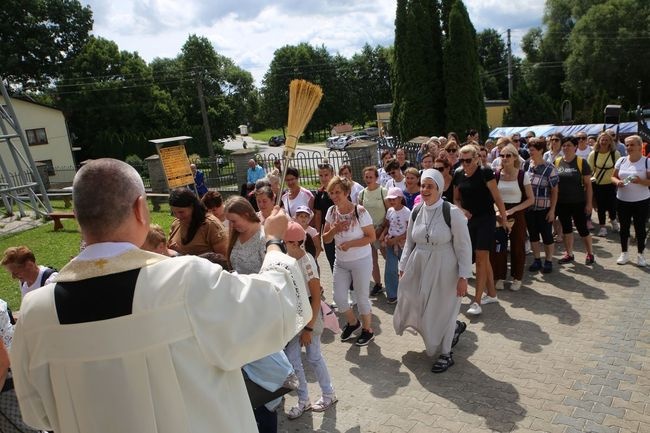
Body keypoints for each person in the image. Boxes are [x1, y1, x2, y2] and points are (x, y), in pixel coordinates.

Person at [10, 158, 311, 433]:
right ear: (141, 208)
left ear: (76, 217)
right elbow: (273, 308)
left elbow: (38, 415)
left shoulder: (35, 315)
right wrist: (273, 240)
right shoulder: (183, 282)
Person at [394, 169, 472, 373]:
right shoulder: (417, 210)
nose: (425, 189)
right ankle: (454, 328)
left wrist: (463, 277)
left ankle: (446, 353)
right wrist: (402, 267)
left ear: (439, 188)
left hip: (445, 268)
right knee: (420, 304)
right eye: (423, 185)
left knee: (444, 308)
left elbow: (464, 246)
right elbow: (409, 242)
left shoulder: (452, 212)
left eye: (430, 186)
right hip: (419, 265)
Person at [282, 222, 337, 420]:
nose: (293, 246)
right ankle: (303, 400)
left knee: (313, 356)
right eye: (289, 242)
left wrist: (309, 328)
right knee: (292, 358)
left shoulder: (308, 262)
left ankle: (329, 394)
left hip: (309, 316)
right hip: (293, 317)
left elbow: (315, 297)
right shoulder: (282, 258)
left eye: (297, 242)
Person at [453, 145, 508, 316]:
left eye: (468, 160)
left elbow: (497, 197)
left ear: (477, 158)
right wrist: (462, 210)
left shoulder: (485, 172)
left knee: (481, 257)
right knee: (482, 258)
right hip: (468, 221)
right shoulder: (458, 173)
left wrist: (504, 218)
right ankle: (491, 294)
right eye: (461, 160)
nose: (465, 163)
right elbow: (456, 199)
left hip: (486, 219)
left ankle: (476, 301)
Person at [322, 176, 376, 346]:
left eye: (338, 192)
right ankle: (353, 323)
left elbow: (371, 237)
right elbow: (326, 239)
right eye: (331, 192)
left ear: (346, 193)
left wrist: (351, 244)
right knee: (339, 298)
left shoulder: (360, 212)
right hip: (341, 262)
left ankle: (368, 330)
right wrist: (335, 229)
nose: (334, 196)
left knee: (361, 298)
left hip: (361, 260)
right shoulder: (331, 212)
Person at [491, 144, 534, 291]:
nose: (504, 158)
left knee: (517, 246)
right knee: (499, 247)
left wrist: (514, 210)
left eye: (508, 155)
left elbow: (530, 199)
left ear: (515, 157)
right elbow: (491, 198)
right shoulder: (495, 175)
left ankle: (517, 277)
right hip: (499, 214)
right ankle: (500, 277)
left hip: (517, 213)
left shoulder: (523, 175)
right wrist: (498, 211)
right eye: (502, 155)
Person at [555, 136, 595, 265]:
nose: (566, 148)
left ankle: (590, 253)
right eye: (564, 145)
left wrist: (589, 203)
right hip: (562, 203)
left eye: (569, 145)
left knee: (582, 229)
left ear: (575, 147)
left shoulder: (581, 162)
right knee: (566, 229)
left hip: (578, 202)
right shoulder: (557, 161)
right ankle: (569, 254)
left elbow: (588, 185)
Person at [611, 135, 650, 267]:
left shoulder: (646, 162)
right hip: (623, 200)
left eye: (632, 145)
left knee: (640, 229)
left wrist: (640, 181)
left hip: (641, 201)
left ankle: (641, 254)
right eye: (627, 145)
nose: (629, 148)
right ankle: (624, 253)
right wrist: (618, 182)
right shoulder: (621, 160)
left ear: (640, 146)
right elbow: (613, 177)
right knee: (624, 228)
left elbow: (649, 182)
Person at [525, 138, 559, 274]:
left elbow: (555, 191)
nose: (530, 152)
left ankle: (549, 260)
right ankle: (537, 259)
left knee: (547, 236)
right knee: (533, 235)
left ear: (540, 150)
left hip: (544, 208)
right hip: (529, 209)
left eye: (532, 150)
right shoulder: (526, 165)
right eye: (529, 149)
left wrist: (552, 210)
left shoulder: (550, 169)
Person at [168, 187, 228, 256]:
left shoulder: (210, 225)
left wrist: (183, 255)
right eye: (174, 212)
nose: (178, 216)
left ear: (192, 207)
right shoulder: (176, 224)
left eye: (181, 212)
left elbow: (224, 259)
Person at [358, 166, 388, 296]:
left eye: (371, 177)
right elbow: (359, 213)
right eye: (366, 177)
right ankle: (378, 284)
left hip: (382, 230)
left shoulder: (383, 191)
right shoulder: (362, 194)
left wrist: (382, 228)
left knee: (388, 257)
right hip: (368, 231)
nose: (369, 179)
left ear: (376, 178)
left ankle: (396, 281)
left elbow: (389, 212)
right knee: (372, 259)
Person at [378, 187, 410, 304]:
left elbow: (409, 231)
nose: (391, 202)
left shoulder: (407, 212)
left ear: (400, 198)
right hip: (391, 243)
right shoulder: (390, 211)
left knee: (405, 269)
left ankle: (408, 294)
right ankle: (392, 294)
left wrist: (397, 239)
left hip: (403, 244)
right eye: (390, 200)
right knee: (390, 269)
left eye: (394, 199)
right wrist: (383, 235)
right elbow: (388, 225)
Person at [588, 132, 621, 237]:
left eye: (607, 140)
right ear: (599, 141)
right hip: (598, 184)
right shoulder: (594, 154)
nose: (604, 142)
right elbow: (589, 169)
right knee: (600, 206)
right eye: (602, 139)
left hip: (611, 184)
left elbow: (619, 169)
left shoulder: (615, 154)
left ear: (610, 142)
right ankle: (602, 227)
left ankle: (613, 220)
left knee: (612, 205)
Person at [224, 196, 267, 275]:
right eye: (229, 221)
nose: (231, 225)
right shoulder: (235, 234)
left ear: (246, 215)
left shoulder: (263, 238)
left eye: (233, 221)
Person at [313, 162, 336, 272]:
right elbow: (318, 215)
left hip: (341, 230)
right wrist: (318, 234)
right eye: (321, 175)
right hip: (327, 233)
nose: (324, 178)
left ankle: (352, 287)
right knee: (332, 260)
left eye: (326, 175)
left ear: (332, 174)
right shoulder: (319, 193)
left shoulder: (339, 190)